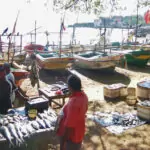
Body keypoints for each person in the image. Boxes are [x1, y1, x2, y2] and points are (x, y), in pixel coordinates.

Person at [56, 75, 88, 150]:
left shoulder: (73, 103)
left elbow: (69, 127)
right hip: (79, 131)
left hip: (71, 137)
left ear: (70, 87)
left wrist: (63, 143)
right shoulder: (84, 96)